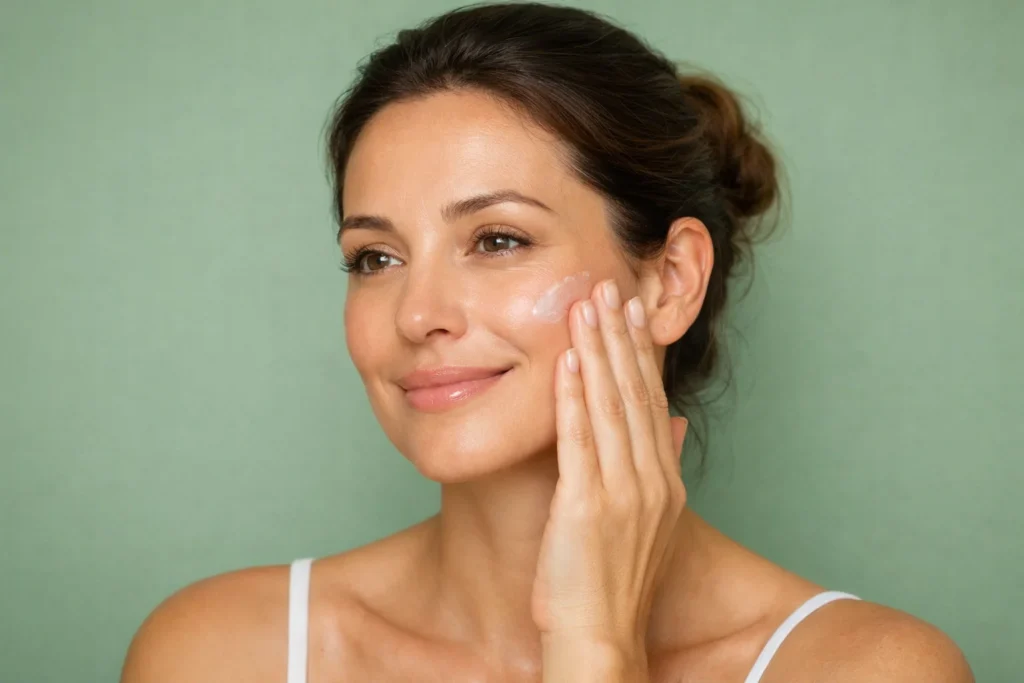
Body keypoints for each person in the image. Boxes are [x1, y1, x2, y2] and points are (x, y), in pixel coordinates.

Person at [120, 3, 974, 681]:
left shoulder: (867, 669)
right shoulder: (218, 653)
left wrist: (597, 649)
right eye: (375, 256)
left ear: (671, 279)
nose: (417, 314)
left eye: (497, 239)